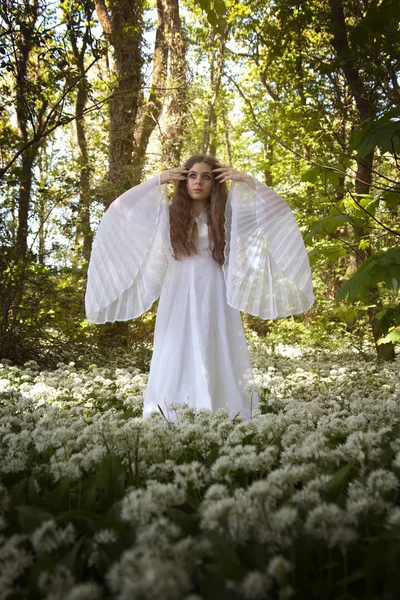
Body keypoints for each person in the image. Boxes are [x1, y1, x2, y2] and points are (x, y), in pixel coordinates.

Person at [85, 154, 314, 421]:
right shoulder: (168, 215)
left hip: (215, 291)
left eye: (206, 177)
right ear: (184, 180)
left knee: (213, 344)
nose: (198, 182)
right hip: (178, 291)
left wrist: (245, 179)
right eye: (192, 175)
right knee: (175, 348)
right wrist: (157, 180)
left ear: (215, 183)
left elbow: (278, 209)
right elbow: (120, 209)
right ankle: (171, 413)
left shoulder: (227, 215)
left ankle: (220, 412)